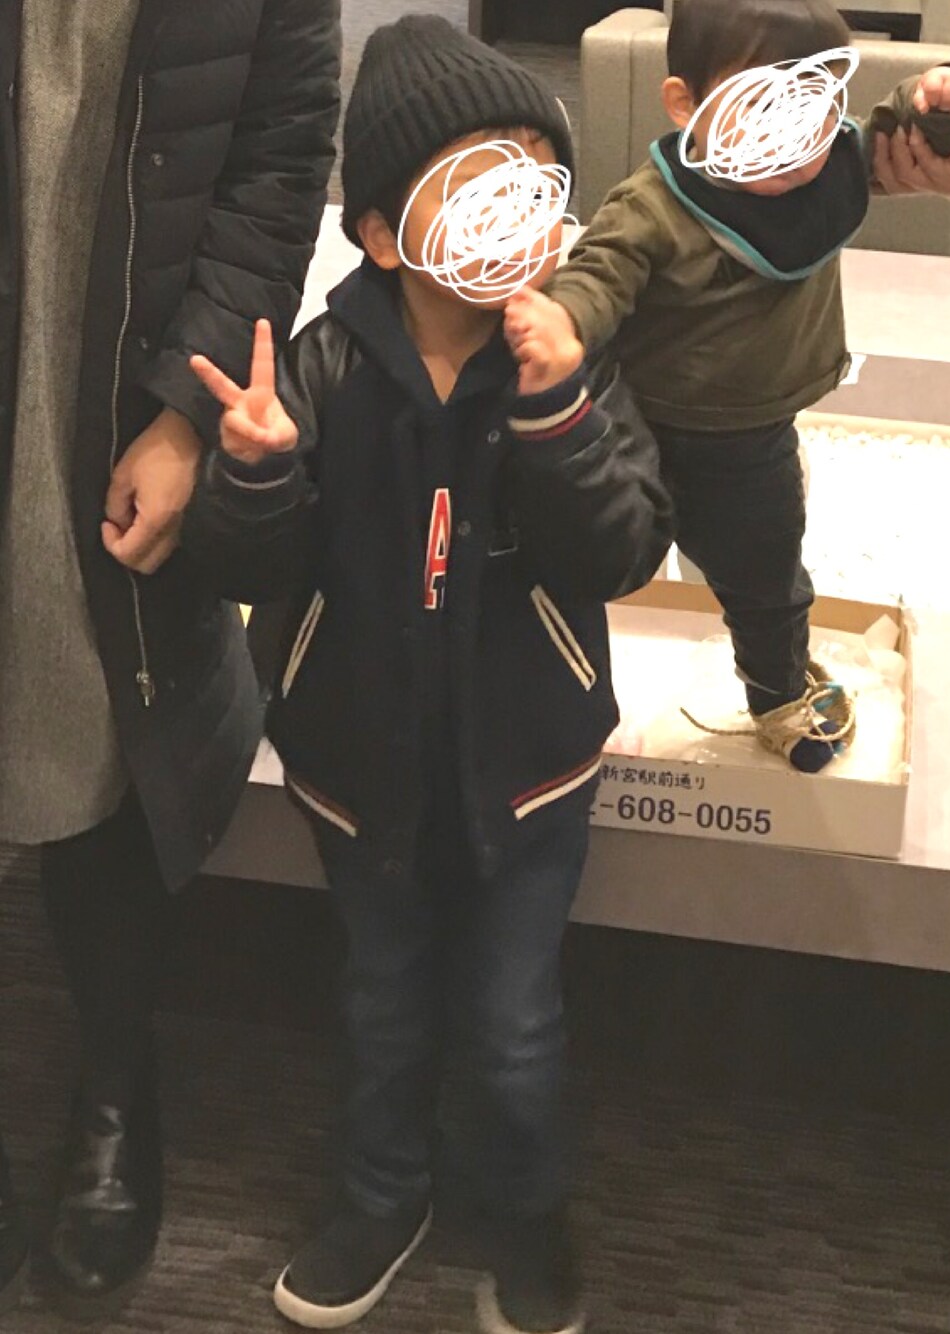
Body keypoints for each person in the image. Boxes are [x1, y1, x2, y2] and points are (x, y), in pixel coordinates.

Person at [182, 17, 675, 1333]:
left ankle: (527, 1209)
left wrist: (558, 413)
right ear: (386, 234)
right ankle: (380, 1194)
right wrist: (254, 469)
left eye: (535, 181)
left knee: (516, 1029)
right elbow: (248, 563)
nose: (519, 214)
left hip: (530, 768)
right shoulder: (326, 365)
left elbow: (625, 547)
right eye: (479, 183)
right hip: (360, 769)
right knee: (381, 1007)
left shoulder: (574, 357)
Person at [0, 0, 340, 1316]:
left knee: (102, 724)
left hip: (117, 382)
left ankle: (110, 1078)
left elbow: (280, 146)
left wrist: (192, 410)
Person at [531, 0, 950, 773]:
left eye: (813, 107)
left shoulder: (829, 165)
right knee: (584, 559)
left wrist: (941, 97)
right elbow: (599, 271)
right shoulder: (653, 206)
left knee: (770, 584)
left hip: (751, 442)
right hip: (635, 430)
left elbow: (894, 137)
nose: (794, 139)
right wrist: (563, 321)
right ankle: (547, 682)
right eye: (760, 107)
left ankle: (777, 695)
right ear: (685, 103)